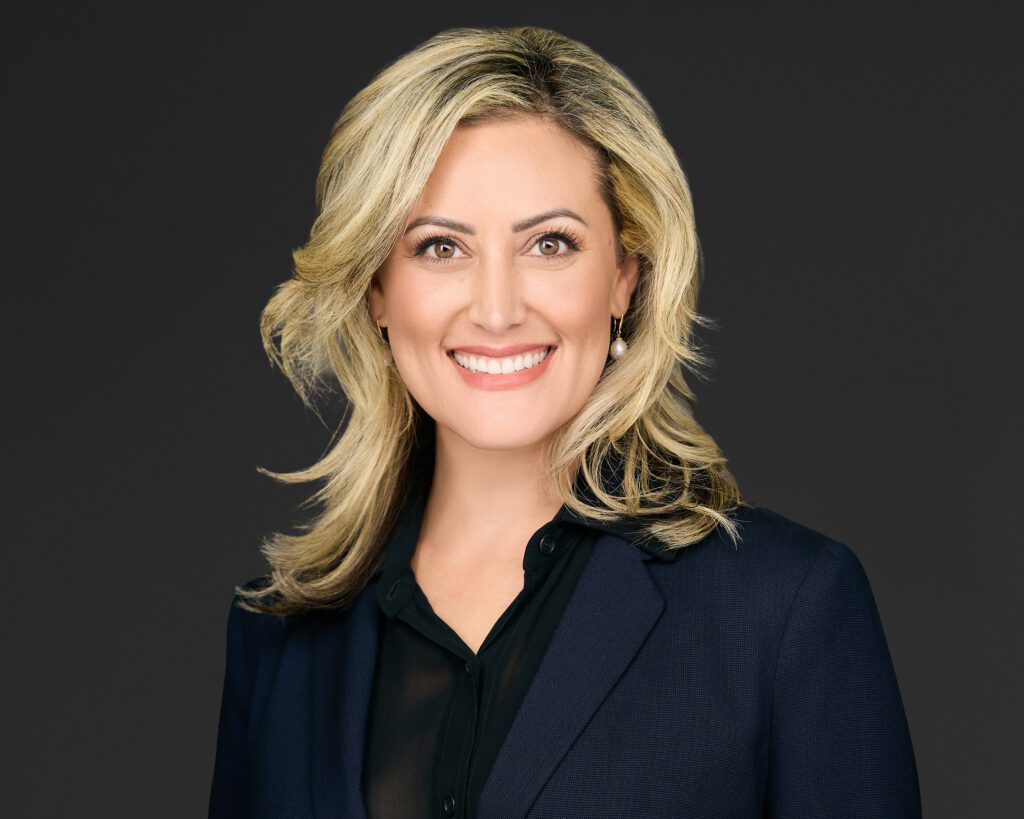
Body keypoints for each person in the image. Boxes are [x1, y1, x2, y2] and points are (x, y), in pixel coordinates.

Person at [209, 25, 921, 819]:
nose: (498, 307)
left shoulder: (784, 610)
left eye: (550, 243)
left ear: (624, 277)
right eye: (440, 247)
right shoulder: (278, 637)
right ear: (377, 289)